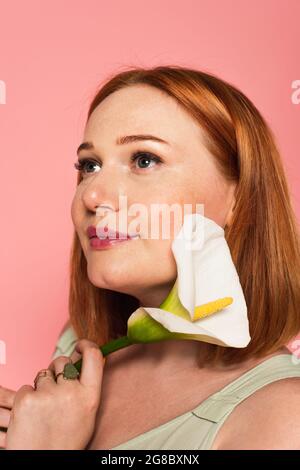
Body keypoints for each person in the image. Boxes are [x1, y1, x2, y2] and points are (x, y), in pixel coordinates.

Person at [1, 65, 300, 450]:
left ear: (239, 198)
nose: (92, 196)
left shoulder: (283, 419)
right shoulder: (77, 348)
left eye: (144, 160)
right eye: (89, 166)